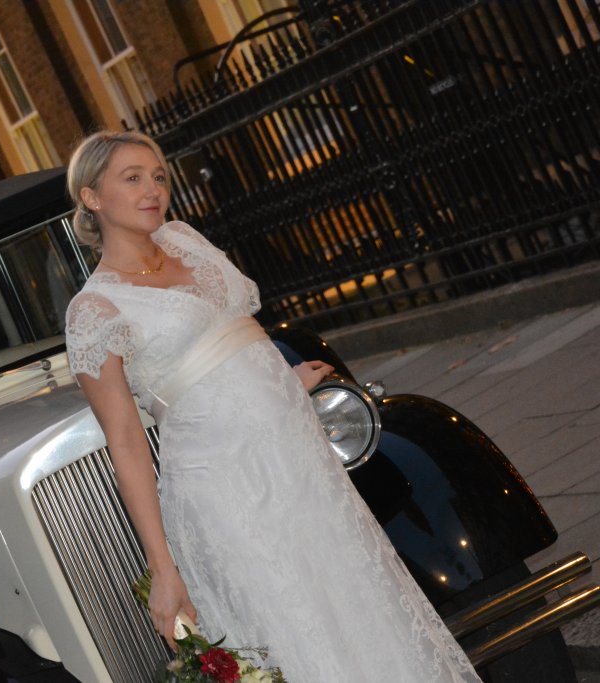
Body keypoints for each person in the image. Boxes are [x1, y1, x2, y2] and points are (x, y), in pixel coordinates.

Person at [63, 130, 481, 683]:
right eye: (132, 178)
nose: (153, 189)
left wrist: (280, 381)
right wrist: (163, 569)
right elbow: (127, 444)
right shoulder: (93, 309)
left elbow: (236, 334)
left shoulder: (186, 241)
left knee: (360, 608)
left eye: (159, 176)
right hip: (225, 491)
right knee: (297, 628)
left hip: (300, 463)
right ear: (92, 197)